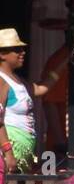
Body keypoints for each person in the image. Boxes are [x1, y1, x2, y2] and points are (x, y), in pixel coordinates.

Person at [0, 29, 51, 172]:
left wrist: (64, 61)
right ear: (2, 54)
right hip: (8, 154)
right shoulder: (0, 81)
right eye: (17, 49)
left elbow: (41, 89)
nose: (22, 52)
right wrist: (8, 153)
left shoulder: (18, 81)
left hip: (22, 152)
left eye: (22, 49)